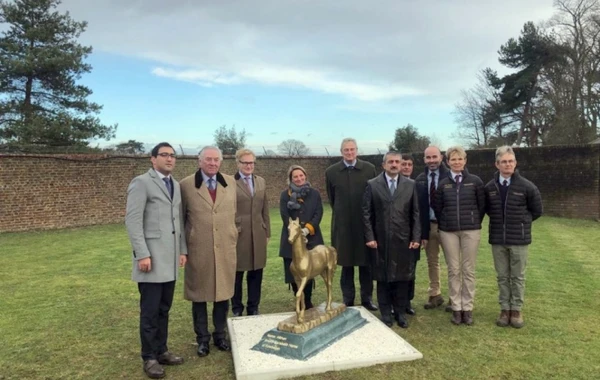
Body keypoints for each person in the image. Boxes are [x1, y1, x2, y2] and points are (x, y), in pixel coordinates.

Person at [125, 142, 187, 379]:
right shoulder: (141, 183)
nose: (169, 159)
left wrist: (182, 250)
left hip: (170, 259)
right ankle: (149, 357)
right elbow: (133, 221)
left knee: (164, 308)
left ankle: (162, 351)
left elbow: (178, 221)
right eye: (164, 155)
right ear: (153, 159)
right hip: (150, 259)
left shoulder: (176, 185)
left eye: (172, 156)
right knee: (150, 311)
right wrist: (142, 253)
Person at [180, 146, 237, 357]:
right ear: (199, 161)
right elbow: (181, 218)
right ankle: (202, 338)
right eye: (208, 160)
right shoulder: (185, 185)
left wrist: (232, 234)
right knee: (199, 295)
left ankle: (220, 335)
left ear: (221, 162)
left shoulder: (231, 182)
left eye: (216, 160)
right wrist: (184, 248)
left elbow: (235, 213)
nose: (212, 163)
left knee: (223, 294)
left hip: (225, 248)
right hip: (199, 249)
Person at [484, 146, 542, 328]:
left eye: (510, 161)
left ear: (515, 163)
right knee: (502, 276)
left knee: (517, 277)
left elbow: (537, 211)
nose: (507, 164)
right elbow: (487, 209)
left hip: (519, 240)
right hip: (498, 240)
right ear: (497, 164)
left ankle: (516, 310)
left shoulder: (527, 186)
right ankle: (504, 309)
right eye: (504, 161)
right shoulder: (489, 187)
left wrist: (521, 223)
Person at [362, 151, 421, 328]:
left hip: (403, 240)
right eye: (390, 162)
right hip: (380, 240)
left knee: (402, 279)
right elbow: (366, 213)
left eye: (397, 161)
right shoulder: (372, 185)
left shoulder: (410, 185)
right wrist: (370, 237)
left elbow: (416, 213)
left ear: (402, 164)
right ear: (384, 165)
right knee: (383, 278)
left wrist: (416, 236)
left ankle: (400, 313)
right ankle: (386, 314)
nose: (394, 164)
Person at [432, 146, 485, 326]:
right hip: (448, 231)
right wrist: (446, 221)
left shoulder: (475, 181)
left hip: (471, 230)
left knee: (468, 270)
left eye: (459, 159)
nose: (456, 162)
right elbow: (438, 207)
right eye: (453, 159)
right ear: (448, 162)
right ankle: (456, 308)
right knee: (453, 269)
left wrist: (473, 220)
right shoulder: (443, 183)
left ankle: (467, 308)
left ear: (465, 160)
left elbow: (482, 205)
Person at [325, 138, 378, 311]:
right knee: (346, 265)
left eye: (352, 149)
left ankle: (367, 299)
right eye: (346, 150)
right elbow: (332, 198)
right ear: (341, 152)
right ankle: (348, 299)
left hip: (364, 224)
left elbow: (374, 195)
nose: (349, 153)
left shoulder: (369, 169)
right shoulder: (331, 172)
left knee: (366, 265)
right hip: (343, 225)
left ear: (357, 150)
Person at [231, 148, 271, 317]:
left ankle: (253, 307)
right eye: (245, 162)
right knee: (237, 273)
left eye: (251, 162)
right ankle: (237, 308)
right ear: (238, 163)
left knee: (256, 271)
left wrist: (267, 231)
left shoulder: (260, 181)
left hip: (258, 233)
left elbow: (265, 208)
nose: (249, 165)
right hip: (239, 234)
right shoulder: (230, 182)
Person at [279, 165, 324, 310]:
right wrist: (297, 230)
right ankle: (299, 298)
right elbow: (285, 215)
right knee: (294, 270)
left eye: (301, 175)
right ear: (290, 179)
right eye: (295, 177)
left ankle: (308, 301)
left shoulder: (315, 193)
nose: (299, 179)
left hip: (311, 236)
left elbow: (318, 213)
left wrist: (308, 229)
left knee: (308, 269)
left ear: (305, 176)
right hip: (292, 236)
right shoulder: (285, 195)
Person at [415, 145, 451, 311]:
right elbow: (418, 208)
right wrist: (421, 232)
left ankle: (454, 296)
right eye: (428, 158)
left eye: (434, 157)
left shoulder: (450, 176)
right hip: (429, 226)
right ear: (424, 159)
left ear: (441, 157)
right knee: (432, 262)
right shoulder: (420, 179)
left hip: (447, 226)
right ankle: (435, 294)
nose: (432, 161)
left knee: (453, 263)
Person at [400, 153, 421, 315]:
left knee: (410, 271)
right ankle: (397, 302)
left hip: (413, 236)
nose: (406, 167)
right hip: (396, 236)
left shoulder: (416, 185)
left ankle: (407, 301)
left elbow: (419, 213)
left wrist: (420, 235)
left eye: (409, 164)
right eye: (403, 164)